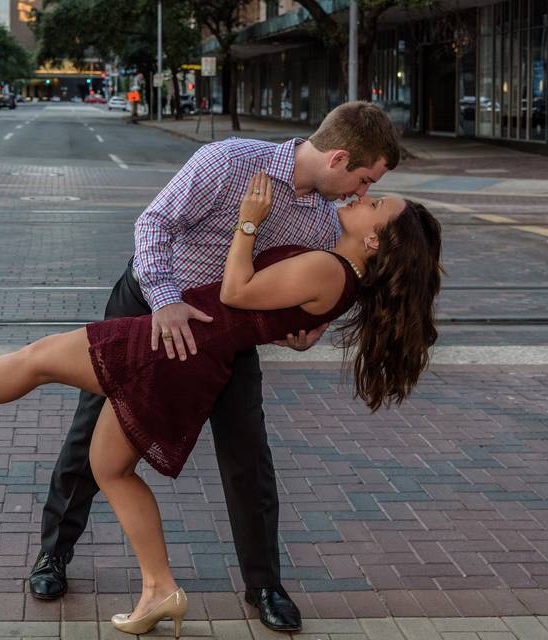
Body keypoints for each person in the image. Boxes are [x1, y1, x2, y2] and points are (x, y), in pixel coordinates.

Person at [0, 182, 443, 638]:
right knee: (109, 466)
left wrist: (249, 219)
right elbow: (286, 314)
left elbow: (238, 291)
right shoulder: (342, 280)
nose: (364, 197)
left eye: (377, 204)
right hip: (191, 351)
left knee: (38, 361)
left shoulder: (328, 269)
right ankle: (159, 589)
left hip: (177, 348)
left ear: (375, 241)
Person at [29, 100, 402, 633]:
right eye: (363, 180)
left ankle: (265, 585)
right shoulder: (229, 161)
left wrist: (301, 336)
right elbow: (154, 222)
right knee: (92, 431)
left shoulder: (326, 222)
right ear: (339, 158)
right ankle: (54, 556)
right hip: (150, 306)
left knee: (248, 452)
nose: (362, 194)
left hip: (223, 336)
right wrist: (163, 300)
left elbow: (296, 296)